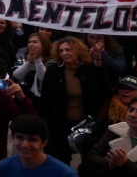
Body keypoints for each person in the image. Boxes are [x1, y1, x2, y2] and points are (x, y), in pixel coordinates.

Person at [39, 36, 108, 164]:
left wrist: (98, 61)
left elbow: (103, 90)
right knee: (59, 161)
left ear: (78, 51)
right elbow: (45, 101)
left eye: (68, 50)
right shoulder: (53, 71)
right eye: (61, 51)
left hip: (85, 124)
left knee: (89, 162)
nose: (64, 53)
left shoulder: (88, 69)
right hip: (59, 124)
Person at [0, 115, 75, 177]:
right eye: (20, 137)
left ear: (44, 143)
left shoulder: (64, 174)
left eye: (32, 139)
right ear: (12, 137)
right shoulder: (4, 167)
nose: (25, 145)